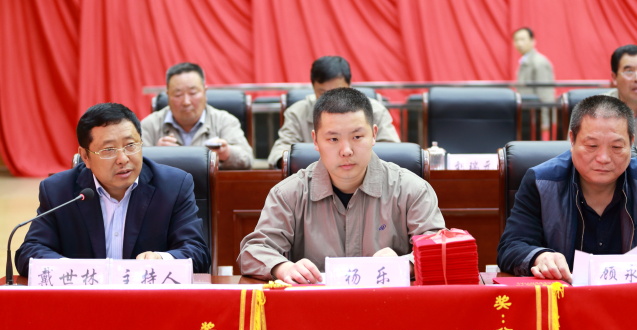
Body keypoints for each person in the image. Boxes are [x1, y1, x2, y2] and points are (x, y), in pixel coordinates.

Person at [240, 87, 445, 283]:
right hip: (316, 304)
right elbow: (253, 251)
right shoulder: (288, 194)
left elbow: (439, 248)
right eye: (333, 139)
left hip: (388, 303)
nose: (346, 150)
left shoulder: (412, 190)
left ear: (374, 134)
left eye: (357, 137)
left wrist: (404, 265)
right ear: (315, 140)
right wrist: (283, 268)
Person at [497, 95, 637, 282]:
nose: (603, 158)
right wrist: (540, 257)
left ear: (631, 142)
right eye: (592, 145)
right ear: (572, 139)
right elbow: (511, 247)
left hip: (635, 296)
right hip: (565, 298)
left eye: (616, 147)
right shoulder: (541, 182)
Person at [15, 103, 211, 275]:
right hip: (86, 300)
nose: (123, 159)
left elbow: (197, 253)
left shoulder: (173, 186)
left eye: (131, 145)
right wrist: (71, 269)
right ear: (85, 157)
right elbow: (30, 252)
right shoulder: (59, 190)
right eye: (108, 150)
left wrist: (161, 260)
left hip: (148, 299)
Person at [267, 56, 400, 168]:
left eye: (338, 91)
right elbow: (280, 153)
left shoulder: (375, 110)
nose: (331, 99)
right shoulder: (297, 112)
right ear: (313, 87)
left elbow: (392, 151)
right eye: (323, 93)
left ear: (349, 84)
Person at [141, 62, 254, 169]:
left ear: (204, 92)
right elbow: (135, 165)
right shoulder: (149, 125)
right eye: (178, 94)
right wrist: (156, 154)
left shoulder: (224, 121)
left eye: (193, 93)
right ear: (168, 95)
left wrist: (226, 153)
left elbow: (248, 159)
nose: (186, 102)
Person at [513, 27, 555, 137]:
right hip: (526, 115)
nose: (519, 43)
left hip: (535, 117)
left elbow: (545, 93)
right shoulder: (525, 61)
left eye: (522, 39)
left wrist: (545, 120)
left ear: (532, 41)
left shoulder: (539, 62)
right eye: (516, 40)